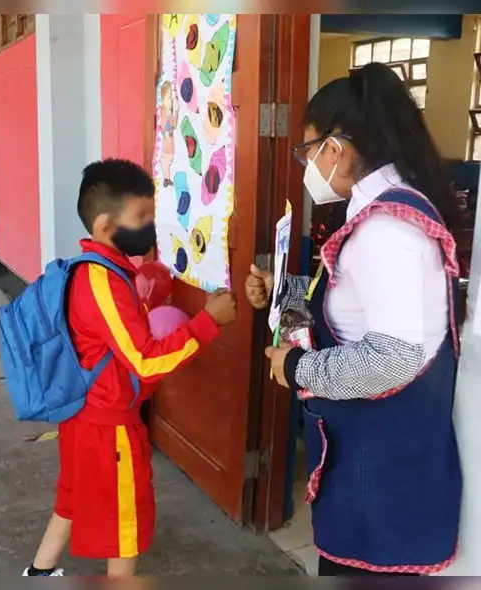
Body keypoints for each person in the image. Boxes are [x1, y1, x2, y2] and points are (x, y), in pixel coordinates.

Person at [249, 62, 462, 577]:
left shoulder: (386, 231)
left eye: (307, 151)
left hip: (386, 471)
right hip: (377, 457)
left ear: (335, 148)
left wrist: (296, 367)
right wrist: (283, 293)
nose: (306, 167)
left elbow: (393, 357)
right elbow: (351, 304)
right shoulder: (378, 214)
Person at [23, 159, 238, 578]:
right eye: (142, 217)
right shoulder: (102, 282)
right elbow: (145, 359)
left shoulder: (100, 272)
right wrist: (208, 321)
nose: (150, 225)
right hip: (108, 431)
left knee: (72, 499)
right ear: (105, 226)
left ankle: (40, 572)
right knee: (124, 529)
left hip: (86, 419)